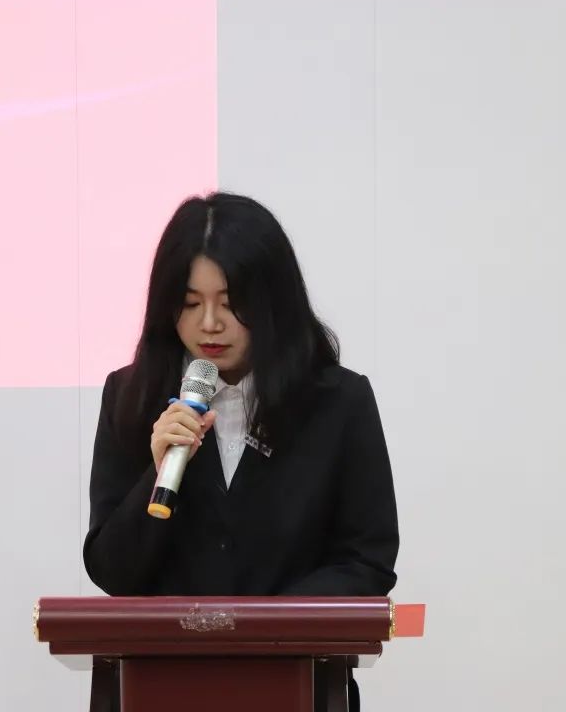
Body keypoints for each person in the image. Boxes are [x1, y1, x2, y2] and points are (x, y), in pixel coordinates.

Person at [83, 192, 399, 711]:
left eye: (231, 303)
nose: (210, 323)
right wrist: (155, 477)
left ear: (273, 301)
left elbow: (368, 559)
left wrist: (264, 629)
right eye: (190, 303)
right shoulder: (130, 396)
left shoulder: (338, 402)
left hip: (297, 682)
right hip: (161, 686)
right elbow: (112, 572)